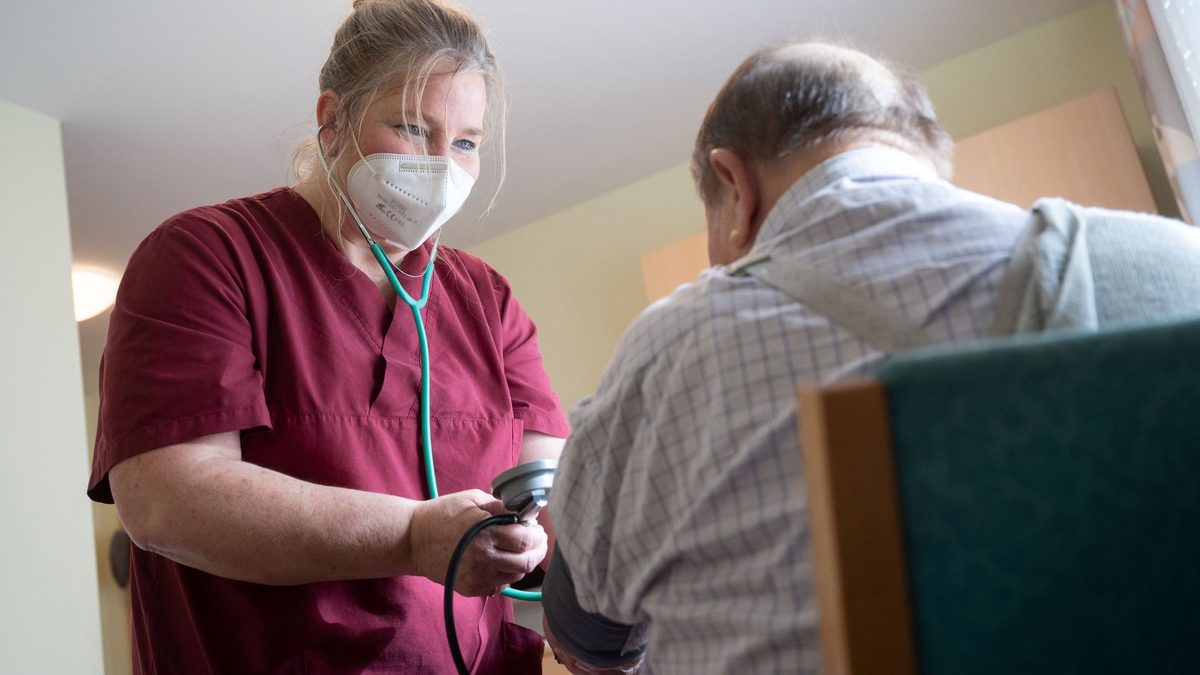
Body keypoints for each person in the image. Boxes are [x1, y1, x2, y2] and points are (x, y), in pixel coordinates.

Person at [540, 41, 1200, 674]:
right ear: (928, 154)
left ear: (733, 186)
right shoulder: (1177, 264)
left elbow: (587, 635)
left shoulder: (667, 349)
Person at [86, 1, 568, 673]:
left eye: (464, 143)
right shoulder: (203, 257)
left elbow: (552, 499)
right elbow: (166, 498)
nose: (441, 168)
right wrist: (412, 536)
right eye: (410, 128)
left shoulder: (487, 301)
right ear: (332, 122)